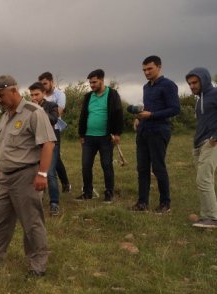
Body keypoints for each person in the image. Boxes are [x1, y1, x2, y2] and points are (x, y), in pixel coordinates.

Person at [0, 75, 55, 277]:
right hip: (6, 176)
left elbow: (48, 144)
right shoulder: (5, 115)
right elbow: (3, 146)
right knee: (0, 219)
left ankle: (37, 264)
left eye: (0, 95)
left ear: (14, 90)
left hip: (26, 175)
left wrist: (42, 174)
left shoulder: (33, 112)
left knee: (31, 222)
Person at [132, 55, 181, 214]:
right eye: (144, 70)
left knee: (158, 167)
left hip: (159, 131)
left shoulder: (168, 85)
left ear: (159, 67)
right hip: (144, 131)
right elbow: (147, 108)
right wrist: (139, 119)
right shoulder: (147, 87)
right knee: (142, 168)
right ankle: (142, 202)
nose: (146, 72)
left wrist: (151, 115)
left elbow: (174, 109)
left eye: (149, 69)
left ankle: (165, 203)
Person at [76, 69, 123, 202]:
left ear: (102, 80)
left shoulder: (112, 94)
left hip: (106, 137)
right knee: (85, 165)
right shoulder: (88, 96)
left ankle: (109, 193)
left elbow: (119, 113)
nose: (92, 85)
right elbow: (83, 115)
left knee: (106, 165)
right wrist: (81, 134)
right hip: (89, 137)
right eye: (90, 83)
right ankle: (87, 193)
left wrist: (117, 133)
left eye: (94, 82)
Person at [186, 67, 217, 228]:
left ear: (204, 79)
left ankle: (212, 218)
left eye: (195, 82)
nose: (192, 86)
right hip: (198, 144)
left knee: (203, 179)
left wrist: (215, 137)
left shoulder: (215, 94)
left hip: (211, 142)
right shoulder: (199, 100)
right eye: (190, 83)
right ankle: (206, 216)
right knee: (205, 180)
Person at [29, 82, 61, 216]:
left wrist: (39, 110)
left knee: (50, 173)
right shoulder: (28, 107)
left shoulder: (51, 106)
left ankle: (54, 203)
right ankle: (38, 200)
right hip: (35, 144)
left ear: (43, 94)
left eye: (36, 94)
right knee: (35, 172)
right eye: (31, 95)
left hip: (49, 143)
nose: (34, 97)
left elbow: (53, 120)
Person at [39, 71, 71, 193]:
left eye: (45, 83)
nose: (43, 86)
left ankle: (65, 184)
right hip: (41, 131)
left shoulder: (60, 95)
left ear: (52, 82)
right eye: (41, 84)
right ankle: (65, 183)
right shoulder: (41, 95)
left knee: (54, 159)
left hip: (55, 130)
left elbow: (57, 113)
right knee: (55, 159)